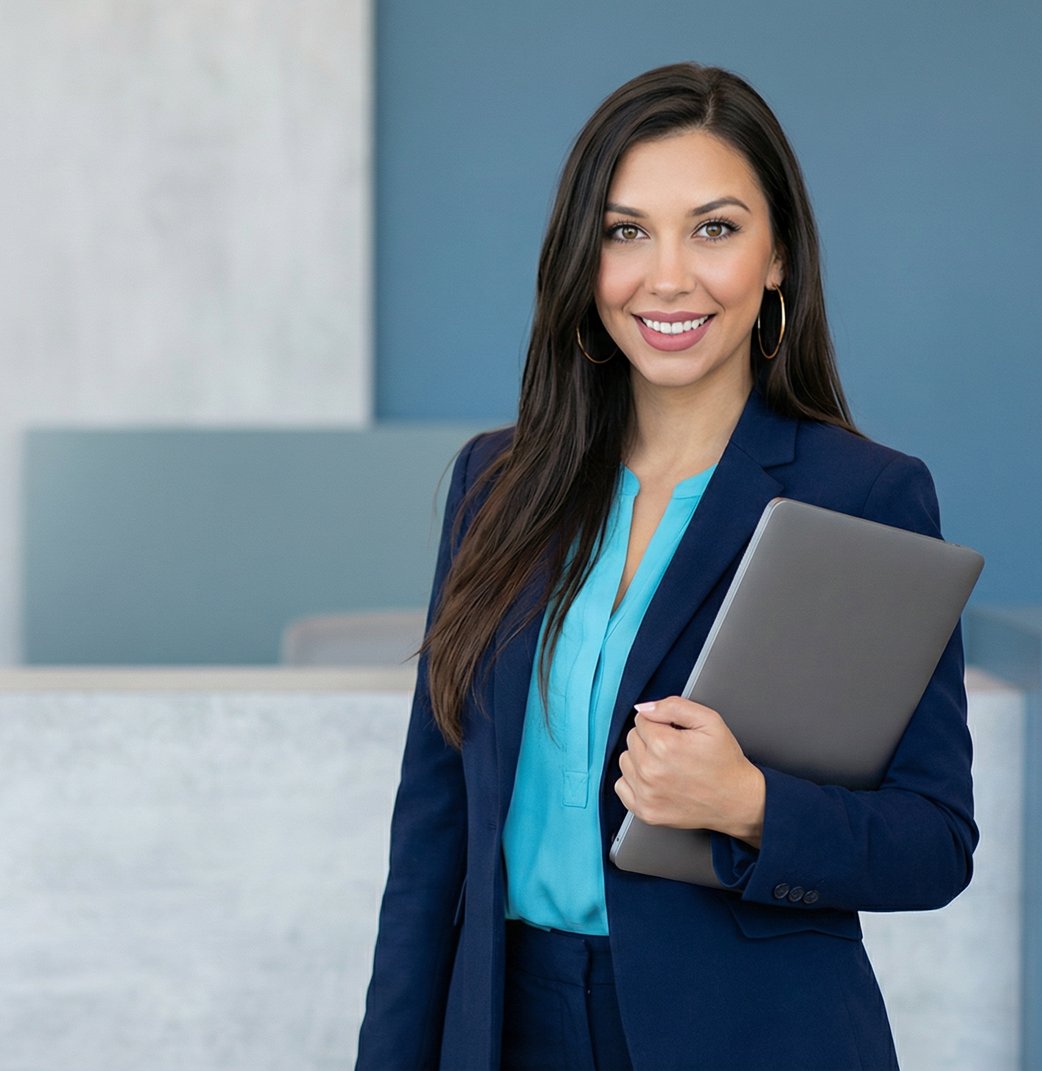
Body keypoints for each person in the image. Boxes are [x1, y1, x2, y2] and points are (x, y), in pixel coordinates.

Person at [353, 62, 977, 1071]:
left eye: (716, 228)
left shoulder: (861, 496)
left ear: (778, 258)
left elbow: (934, 841)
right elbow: (430, 842)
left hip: (748, 1035)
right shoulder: (497, 483)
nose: (669, 275)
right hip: (506, 1025)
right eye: (626, 230)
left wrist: (750, 806)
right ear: (583, 257)